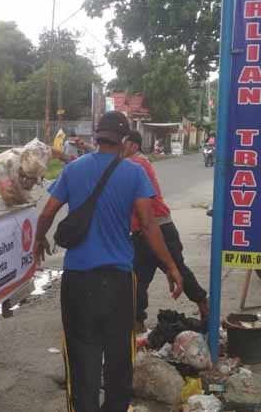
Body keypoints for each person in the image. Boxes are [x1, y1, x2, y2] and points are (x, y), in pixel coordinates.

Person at [34, 113, 184, 412]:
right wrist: (171, 266)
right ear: (125, 140)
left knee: (81, 354)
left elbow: (48, 212)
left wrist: (39, 239)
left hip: (78, 279)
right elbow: (149, 224)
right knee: (118, 355)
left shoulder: (74, 170)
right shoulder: (134, 172)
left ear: (96, 137)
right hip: (118, 280)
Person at [123, 131, 209, 330]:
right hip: (139, 233)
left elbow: (108, 166)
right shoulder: (128, 164)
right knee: (136, 279)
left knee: (178, 270)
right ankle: (137, 320)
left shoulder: (138, 163)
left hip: (160, 228)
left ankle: (202, 302)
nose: (119, 148)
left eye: (123, 143)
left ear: (134, 147)